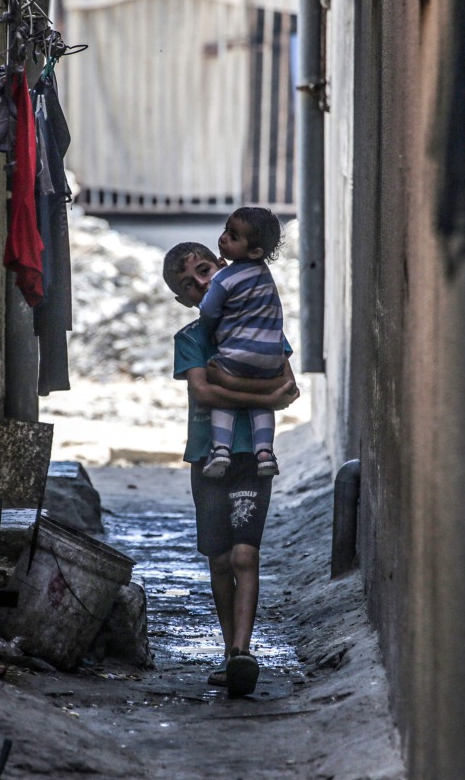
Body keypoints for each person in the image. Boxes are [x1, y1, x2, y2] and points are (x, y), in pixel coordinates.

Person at [162, 240, 300, 698]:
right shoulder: (191, 338)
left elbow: (290, 386)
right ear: (186, 300)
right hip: (207, 460)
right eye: (190, 285)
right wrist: (262, 398)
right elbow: (205, 394)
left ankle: (242, 652)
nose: (202, 284)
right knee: (219, 560)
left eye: (204, 271)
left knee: (245, 555)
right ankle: (229, 651)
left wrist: (233, 385)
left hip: (252, 459)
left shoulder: (264, 330)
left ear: (222, 268)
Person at [196, 207, 287, 479]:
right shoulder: (264, 274)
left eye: (233, 236)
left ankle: (221, 449)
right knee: (262, 404)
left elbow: (208, 311)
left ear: (255, 252)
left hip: (238, 354)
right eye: (226, 230)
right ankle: (265, 453)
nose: (223, 238)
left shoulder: (225, 278)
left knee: (223, 397)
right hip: (272, 355)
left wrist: (210, 331)